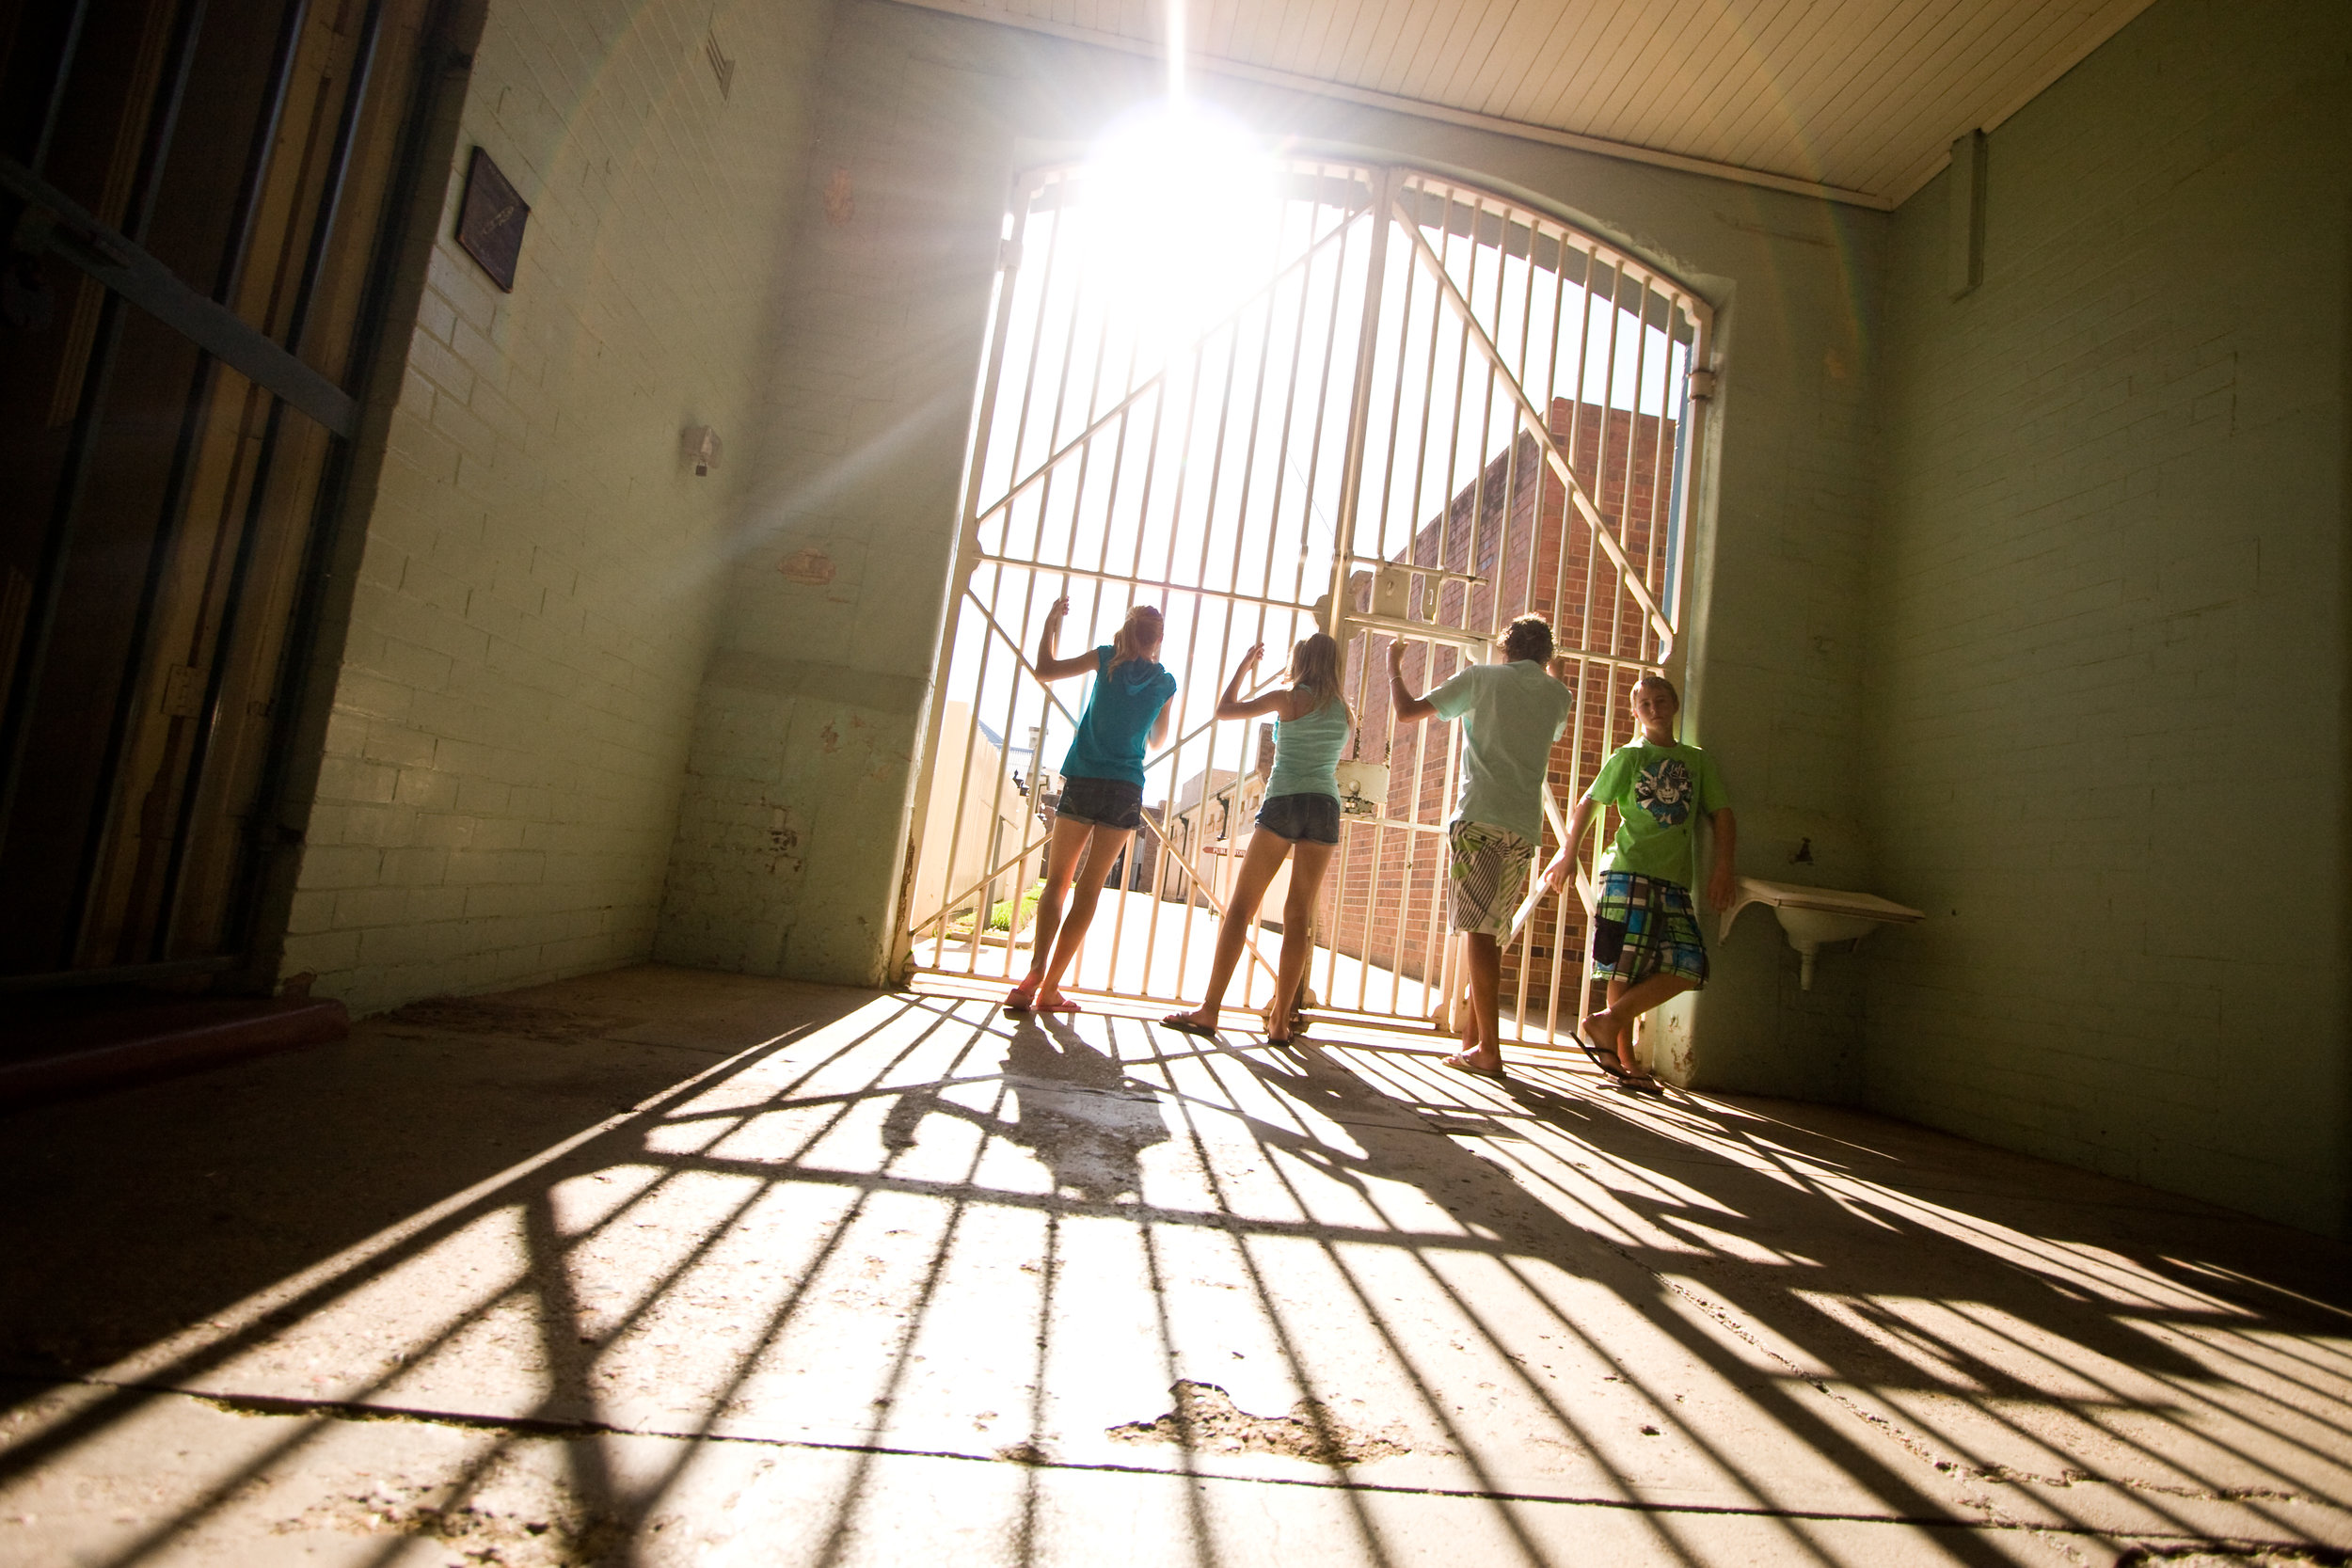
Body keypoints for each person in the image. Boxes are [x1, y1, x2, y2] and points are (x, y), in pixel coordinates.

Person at [1387, 614, 1575, 1078]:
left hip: (1479, 818)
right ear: (1546, 654)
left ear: (1505, 648)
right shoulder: (1557, 694)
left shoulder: (1481, 679)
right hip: (1524, 827)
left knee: (1479, 931)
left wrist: (1393, 665)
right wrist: (1556, 670)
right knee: (1492, 931)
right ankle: (1476, 1039)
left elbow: (1408, 712)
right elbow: (1552, 715)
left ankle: (1489, 1049)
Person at [1543, 672, 1736, 1092]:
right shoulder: (1628, 757)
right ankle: (1623, 1061)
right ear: (1635, 713)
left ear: (1674, 704)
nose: (1654, 708)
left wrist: (1723, 867)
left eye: (1661, 700)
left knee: (1690, 964)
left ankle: (1606, 1025)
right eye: (1645, 703)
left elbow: (1722, 814)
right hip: (1626, 872)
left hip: (1674, 879)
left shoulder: (1697, 760)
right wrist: (1567, 852)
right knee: (1624, 968)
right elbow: (1589, 803)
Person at [1161, 632, 1352, 1044]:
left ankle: (1210, 1010)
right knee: (1299, 916)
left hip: (1283, 801)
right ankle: (1281, 1021)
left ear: (1300, 661)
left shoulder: (1288, 698)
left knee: (1240, 908)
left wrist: (1246, 668)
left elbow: (1224, 710)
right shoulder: (1344, 712)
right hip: (1324, 806)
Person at [1005, 597, 1177, 1016]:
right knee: (1089, 889)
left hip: (1083, 777)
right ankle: (1050, 989)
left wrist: (1050, 623)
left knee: (1058, 882)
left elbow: (1045, 669)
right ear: (1157, 640)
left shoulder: (1105, 659)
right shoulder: (1164, 682)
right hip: (1123, 789)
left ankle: (1033, 973)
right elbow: (1157, 740)